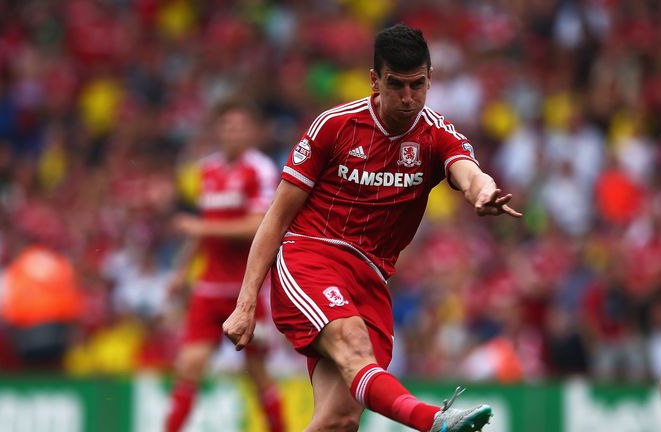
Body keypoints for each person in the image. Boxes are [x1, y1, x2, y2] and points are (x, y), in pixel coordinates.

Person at [223, 24, 522, 432]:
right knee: (353, 344)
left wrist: (483, 192)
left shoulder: (436, 135)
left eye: (417, 85)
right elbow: (275, 218)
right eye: (395, 85)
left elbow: (469, 173)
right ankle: (433, 420)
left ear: (430, 79)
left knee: (339, 421)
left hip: (371, 281)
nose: (407, 97)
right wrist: (245, 306)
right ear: (374, 80)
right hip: (311, 257)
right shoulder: (334, 126)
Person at [165, 100, 285, 432]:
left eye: (239, 126)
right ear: (218, 130)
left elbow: (258, 225)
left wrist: (202, 229)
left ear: (250, 131)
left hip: (246, 287)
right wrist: (180, 272)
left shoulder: (259, 169)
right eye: (227, 126)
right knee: (189, 364)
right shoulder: (207, 170)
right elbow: (204, 226)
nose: (232, 132)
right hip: (208, 286)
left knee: (256, 372)